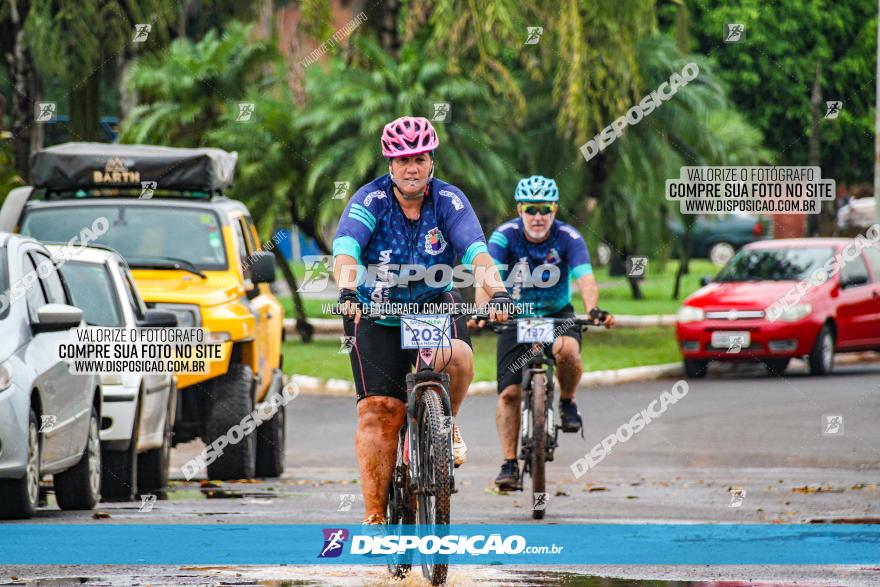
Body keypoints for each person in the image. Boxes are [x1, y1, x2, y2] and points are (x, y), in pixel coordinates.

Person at [332, 116, 512, 524]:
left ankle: (444, 425)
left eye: (420, 158)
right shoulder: (369, 200)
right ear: (389, 163)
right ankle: (376, 517)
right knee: (382, 411)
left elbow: (476, 254)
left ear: (432, 161)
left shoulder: (448, 201)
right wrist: (346, 290)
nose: (411, 167)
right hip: (375, 313)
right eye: (402, 160)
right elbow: (345, 251)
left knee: (459, 358)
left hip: (431, 307)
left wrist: (497, 292)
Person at [477, 175, 614, 490]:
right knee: (509, 394)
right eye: (531, 209)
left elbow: (585, 277)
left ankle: (567, 401)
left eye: (545, 209)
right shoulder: (504, 236)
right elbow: (487, 275)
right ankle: (509, 464)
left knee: (568, 351)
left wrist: (593, 309)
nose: (538, 217)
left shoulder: (569, 237)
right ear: (520, 209)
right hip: (516, 315)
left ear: (554, 210)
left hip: (556, 314)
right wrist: (483, 311)